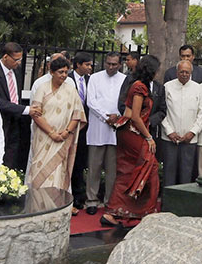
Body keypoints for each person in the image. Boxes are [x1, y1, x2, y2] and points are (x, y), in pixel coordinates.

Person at [101, 55, 161, 226]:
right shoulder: (140, 87)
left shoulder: (135, 85)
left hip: (127, 131)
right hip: (133, 132)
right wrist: (148, 137)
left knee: (128, 170)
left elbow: (129, 114)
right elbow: (135, 116)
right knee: (151, 166)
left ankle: (115, 212)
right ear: (151, 70)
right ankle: (144, 212)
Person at [26, 56, 86, 190]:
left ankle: (56, 208)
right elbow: (36, 114)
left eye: (66, 72)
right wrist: (52, 133)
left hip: (63, 139)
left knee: (59, 173)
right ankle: (39, 207)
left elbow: (77, 115)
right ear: (52, 72)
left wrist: (66, 132)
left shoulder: (71, 89)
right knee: (39, 171)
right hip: (44, 138)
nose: (64, 75)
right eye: (61, 72)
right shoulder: (42, 88)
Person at [0, 42, 40, 170]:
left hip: (16, 121)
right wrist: (25, 110)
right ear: (5, 57)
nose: (18, 62)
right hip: (1, 120)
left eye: (20, 59)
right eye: (16, 59)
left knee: (12, 156)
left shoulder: (16, 71)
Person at [85, 52, 126, 214]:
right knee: (94, 167)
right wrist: (105, 117)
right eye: (108, 63)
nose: (110, 67)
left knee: (112, 169)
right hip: (97, 128)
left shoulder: (124, 79)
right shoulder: (94, 78)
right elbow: (91, 102)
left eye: (114, 64)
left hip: (116, 129)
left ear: (120, 65)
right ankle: (92, 201)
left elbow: (125, 102)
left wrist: (117, 118)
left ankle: (110, 201)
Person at [161, 60, 202, 187]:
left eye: (187, 72)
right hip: (169, 138)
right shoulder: (167, 87)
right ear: (176, 72)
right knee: (169, 173)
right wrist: (169, 131)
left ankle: (183, 204)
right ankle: (167, 204)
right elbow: (162, 112)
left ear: (191, 72)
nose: (184, 74)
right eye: (182, 72)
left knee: (187, 173)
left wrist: (192, 132)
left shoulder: (198, 88)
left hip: (189, 139)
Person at [69, 51, 93, 211]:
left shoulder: (91, 80)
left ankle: (79, 196)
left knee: (79, 162)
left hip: (85, 126)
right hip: (70, 126)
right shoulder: (68, 79)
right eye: (87, 64)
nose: (90, 67)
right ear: (78, 65)